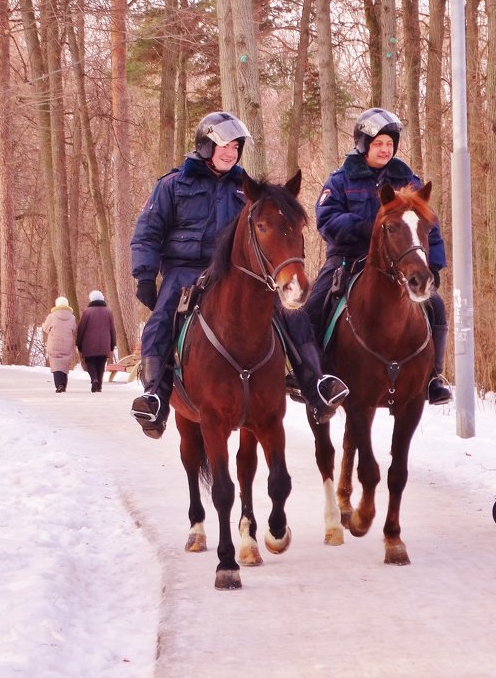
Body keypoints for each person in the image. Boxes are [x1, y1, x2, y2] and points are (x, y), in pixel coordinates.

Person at [129, 111, 349, 439]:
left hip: (237, 271)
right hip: (185, 270)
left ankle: (314, 382)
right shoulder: (172, 185)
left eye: (235, 147)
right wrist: (145, 276)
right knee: (162, 318)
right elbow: (148, 232)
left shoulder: (246, 189)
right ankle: (155, 396)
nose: (231, 153)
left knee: (291, 312)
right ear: (205, 147)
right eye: (224, 146)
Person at [305, 107, 452, 405]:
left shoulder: (407, 178)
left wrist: (433, 264)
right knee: (313, 306)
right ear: (364, 145)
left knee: (435, 304)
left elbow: (427, 226)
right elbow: (326, 219)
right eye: (378, 144)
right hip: (347, 257)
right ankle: (312, 375)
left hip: (399, 263)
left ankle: (433, 377)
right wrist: (366, 228)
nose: (385, 149)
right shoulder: (340, 179)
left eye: (389, 144)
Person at [76, 289, 116, 393]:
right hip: (104, 343)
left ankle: (94, 379)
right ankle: (99, 386)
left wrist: (78, 343)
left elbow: (81, 329)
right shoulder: (108, 311)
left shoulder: (87, 312)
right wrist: (112, 344)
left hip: (89, 344)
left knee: (91, 363)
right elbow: (112, 329)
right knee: (101, 365)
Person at [41, 296, 77, 393]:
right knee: (64, 363)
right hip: (67, 343)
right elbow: (75, 330)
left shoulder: (52, 316)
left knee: (56, 363)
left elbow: (45, 328)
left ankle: (59, 384)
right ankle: (64, 384)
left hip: (54, 343)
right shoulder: (72, 317)